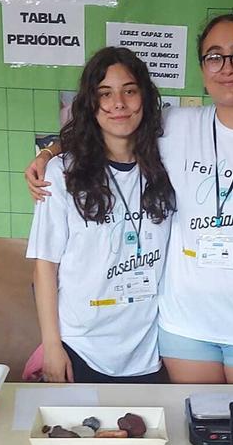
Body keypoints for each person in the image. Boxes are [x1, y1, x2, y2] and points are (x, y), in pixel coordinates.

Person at [28, 14, 233, 385]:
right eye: (215, 57)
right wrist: (49, 154)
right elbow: (109, 124)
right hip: (183, 326)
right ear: (203, 69)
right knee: (194, 428)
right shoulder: (180, 124)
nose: (228, 68)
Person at [25, 47, 175, 384]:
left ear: (145, 98)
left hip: (149, 349)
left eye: (129, 91)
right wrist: (52, 346)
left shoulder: (168, 164)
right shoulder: (62, 173)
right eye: (104, 94)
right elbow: (45, 266)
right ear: (91, 104)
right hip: (81, 346)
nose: (118, 103)